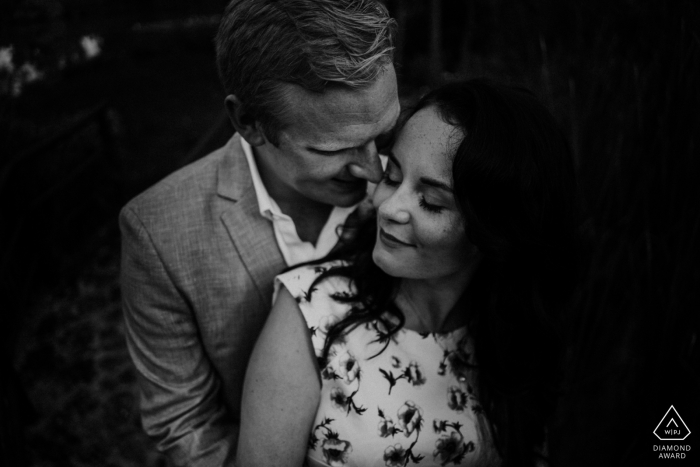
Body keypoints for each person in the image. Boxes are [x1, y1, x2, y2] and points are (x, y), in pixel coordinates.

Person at [237, 79, 579, 467]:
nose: (388, 207)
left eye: (431, 202)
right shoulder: (312, 313)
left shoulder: (516, 332)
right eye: (393, 177)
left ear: (495, 230)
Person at [119, 1, 399, 465]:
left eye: (383, 137)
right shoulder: (158, 232)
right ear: (249, 123)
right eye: (335, 149)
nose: (375, 171)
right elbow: (186, 426)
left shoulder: (416, 194)